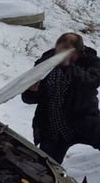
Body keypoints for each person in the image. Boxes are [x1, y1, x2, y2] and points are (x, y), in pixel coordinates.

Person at [21, 32, 100, 163]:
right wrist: (32, 91)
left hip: (84, 121)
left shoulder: (90, 61)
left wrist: (68, 66)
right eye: (61, 49)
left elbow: (91, 82)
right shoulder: (46, 61)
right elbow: (28, 98)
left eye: (69, 50)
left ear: (80, 51)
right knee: (45, 168)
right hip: (53, 130)